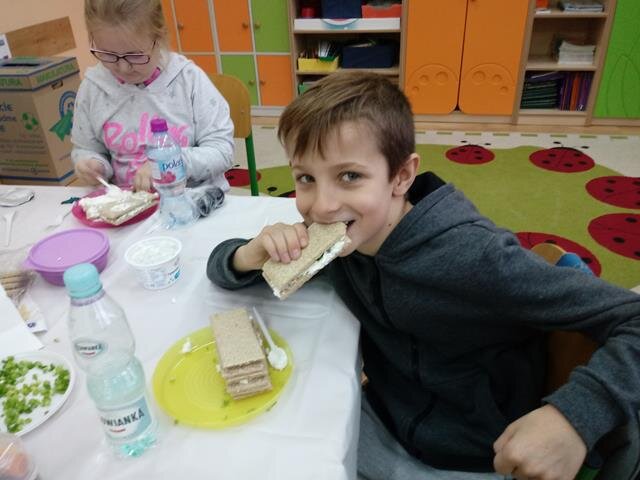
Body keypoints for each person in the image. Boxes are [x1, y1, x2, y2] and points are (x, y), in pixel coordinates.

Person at [206, 71, 640, 480]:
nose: (321, 206)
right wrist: (248, 254)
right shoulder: (339, 239)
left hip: (472, 453)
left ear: (402, 176)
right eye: (305, 178)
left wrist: (573, 417)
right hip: (383, 415)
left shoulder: (475, 257)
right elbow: (221, 270)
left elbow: (632, 318)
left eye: (350, 176)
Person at [71, 0, 234, 192]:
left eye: (135, 55)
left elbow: (222, 151)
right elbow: (86, 148)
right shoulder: (93, 88)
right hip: (127, 202)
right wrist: (92, 164)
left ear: (160, 37)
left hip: (194, 199)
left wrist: (173, 162)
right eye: (108, 54)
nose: (123, 68)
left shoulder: (188, 81)